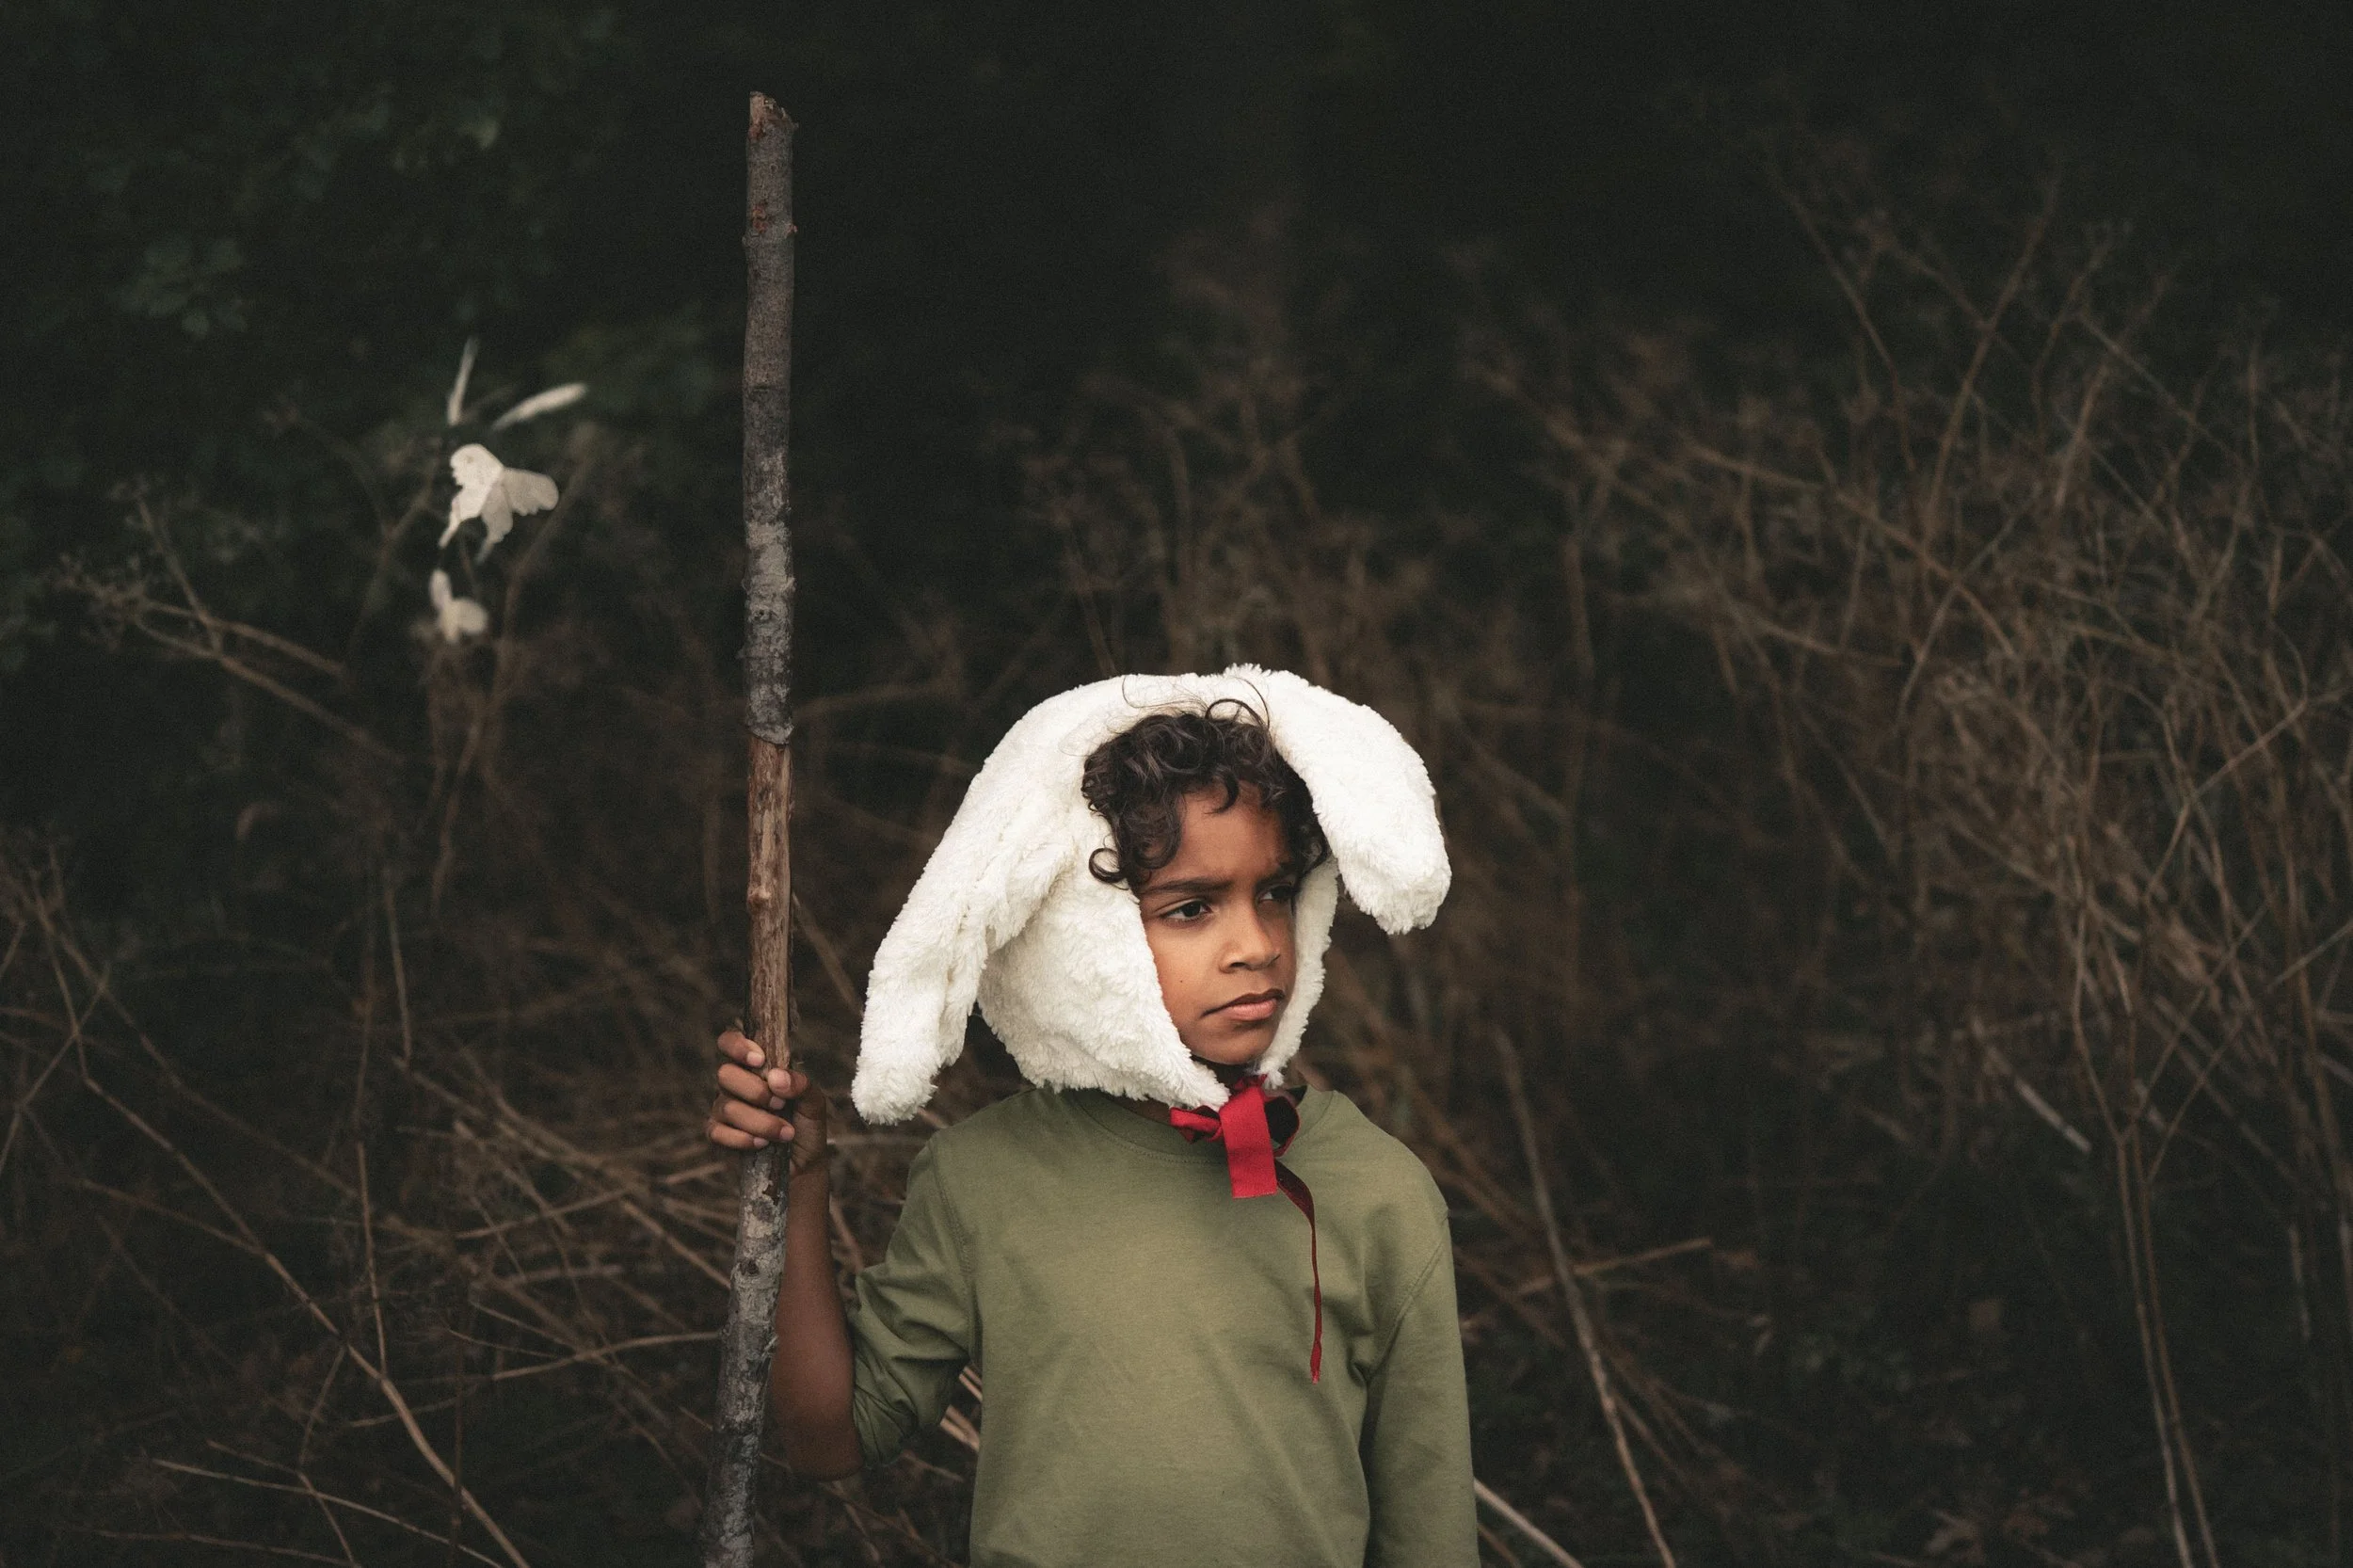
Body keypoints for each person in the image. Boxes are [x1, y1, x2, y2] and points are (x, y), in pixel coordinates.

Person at [705, 667, 1476, 1567]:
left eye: (1274, 892)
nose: (1257, 946)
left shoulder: (1377, 1190)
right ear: (1079, 930)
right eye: (1191, 908)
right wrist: (798, 1185)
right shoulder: (982, 1177)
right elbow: (832, 1438)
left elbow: (1429, 1528)